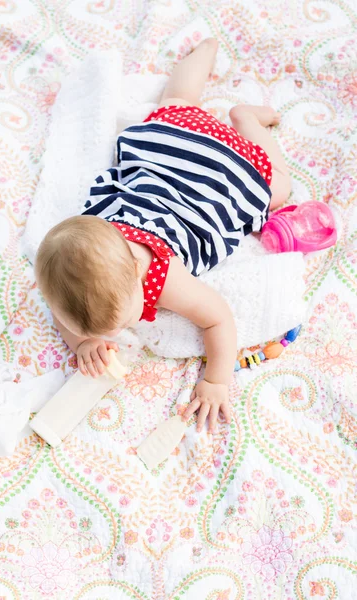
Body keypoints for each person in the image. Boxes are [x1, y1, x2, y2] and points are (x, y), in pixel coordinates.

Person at [35, 38, 291, 434]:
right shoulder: (88, 251)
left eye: (120, 321)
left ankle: (250, 123)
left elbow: (218, 319)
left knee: (276, 193)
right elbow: (64, 307)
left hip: (222, 169)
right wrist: (82, 342)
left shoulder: (163, 274)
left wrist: (215, 381)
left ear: (140, 272)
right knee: (176, 101)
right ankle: (202, 55)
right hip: (170, 143)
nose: (115, 334)